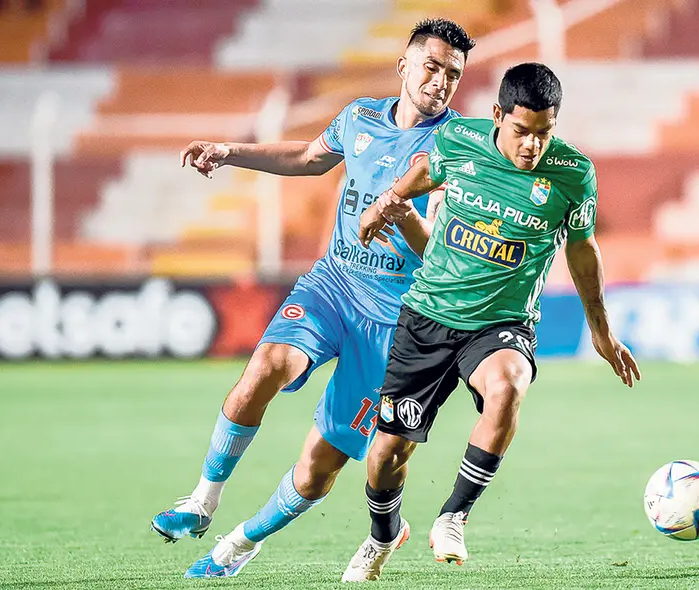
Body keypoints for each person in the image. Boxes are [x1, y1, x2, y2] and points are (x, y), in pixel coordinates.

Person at [148, 18, 475, 578]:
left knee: (314, 471)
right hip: (334, 285)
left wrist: (406, 220)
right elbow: (307, 158)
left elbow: (440, 256)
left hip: (396, 322)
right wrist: (229, 152)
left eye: (452, 73)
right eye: (432, 66)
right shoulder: (360, 118)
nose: (441, 81)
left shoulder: (457, 146)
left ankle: (241, 543)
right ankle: (201, 501)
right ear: (404, 65)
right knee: (267, 364)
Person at [340, 62, 641, 582]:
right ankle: (383, 535)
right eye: (521, 132)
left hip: (502, 324)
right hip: (428, 317)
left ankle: (453, 516)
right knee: (386, 453)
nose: (532, 147)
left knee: (508, 385)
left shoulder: (573, 174)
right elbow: (422, 173)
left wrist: (601, 328)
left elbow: (583, 250)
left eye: (544, 133)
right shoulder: (458, 139)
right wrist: (389, 201)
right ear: (498, 115)